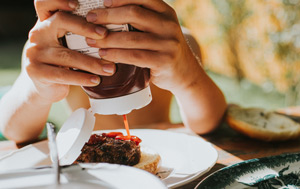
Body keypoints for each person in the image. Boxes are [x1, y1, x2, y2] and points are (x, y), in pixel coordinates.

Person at [0, 0, 226, 143]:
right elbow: (15, 131)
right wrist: (37, 90)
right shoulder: (51, 50)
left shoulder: (170, 44)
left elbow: (207, 123)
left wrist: (188, 78)